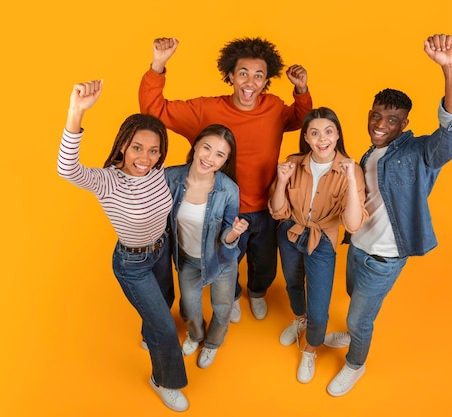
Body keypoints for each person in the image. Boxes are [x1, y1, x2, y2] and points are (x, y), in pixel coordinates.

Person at [323, 33, 452, 397]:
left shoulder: (420, 153)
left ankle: (355, 363)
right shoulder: (369, 153)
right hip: (357, 247)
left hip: (385, 258)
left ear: (404, 124)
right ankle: (354, 331)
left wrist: (451, 68)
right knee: (353, 295)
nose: (380, 123)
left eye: (392, 119)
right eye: (376, 115)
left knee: (361, 317)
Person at [139, 36, 313, 322]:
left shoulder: (273, 107)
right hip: (223, 208)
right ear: (230, 75)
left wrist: (302, 89)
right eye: (243, 73)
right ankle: (231, 296)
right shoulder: (206, 110)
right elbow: (155, 110)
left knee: (266, 263)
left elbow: (302, 119)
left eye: (258, 76)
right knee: (226, 261)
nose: (250, 82)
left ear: (266, 80)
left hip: (269, 206)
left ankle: (256, 293)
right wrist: (158, 64)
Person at [57, 80, 189, 412]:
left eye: (153, 150)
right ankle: (163, 380)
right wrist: (77, 112)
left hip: (161, 248)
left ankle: (149, 337)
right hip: (132, 264)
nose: (145, 158)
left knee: (166, 300)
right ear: (122, 147)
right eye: (137, 148)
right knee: (165, 328)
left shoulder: (157, 172)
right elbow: (67, 169)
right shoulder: (108, 180)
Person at [268, 107, 368, 384]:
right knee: (292, 283)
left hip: (322, 240)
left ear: (337, 135)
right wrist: (282, 181)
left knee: (320, 304)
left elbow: (353, 224)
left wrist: (349, 179)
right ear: (307, 138)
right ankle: (299, 319)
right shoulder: (293, 162)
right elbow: (277, 212)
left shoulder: (351, 169)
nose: (322, 139)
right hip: (290, 231)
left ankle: (310, 348)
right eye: (314, 133)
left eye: (328, 131)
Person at [165, 124, 249, 369]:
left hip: (221, 260)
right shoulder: (170, 177)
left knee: (222, 309)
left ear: (225, 162)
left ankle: (212, 343)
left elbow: (227, 234)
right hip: (187, 259)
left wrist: (233, 233)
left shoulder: (228, 190)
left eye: (219, 155)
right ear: (196, 145)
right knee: (189, 308)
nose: (210, 158)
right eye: (207, 148)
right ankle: (196, 335)